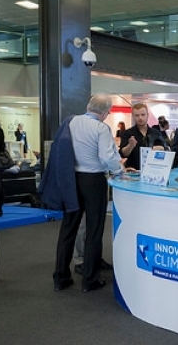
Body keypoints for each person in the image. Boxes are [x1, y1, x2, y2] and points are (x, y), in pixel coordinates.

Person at [42, 94, 123, 292]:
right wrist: (120, 170)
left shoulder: (70, 122)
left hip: (71, 179)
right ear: (106, 112)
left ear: (88, 106)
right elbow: (107, 157)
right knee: (94, 231)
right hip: (94, 181)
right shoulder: (101, 128)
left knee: (68, 228)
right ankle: (90, 279)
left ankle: (60, 277)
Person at [119, 103, 167, 171]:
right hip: (133, 171)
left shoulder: (156, 133)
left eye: (143, 115)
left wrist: (161, 149)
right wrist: (130, 145)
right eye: (137, 115)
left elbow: (165, 150)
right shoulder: (127, 133)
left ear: (148, 115)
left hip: (153, 170)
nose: (140, 118)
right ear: (133, 116)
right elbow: (123, 154)